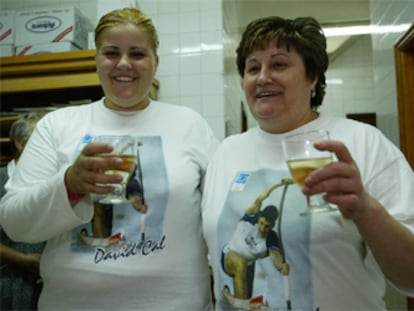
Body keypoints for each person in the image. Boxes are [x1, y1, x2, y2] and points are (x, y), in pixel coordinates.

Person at [0, 8, 218, 310]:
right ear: (97, 60)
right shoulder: (57, 125)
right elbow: (14, 224)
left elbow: (225, 214)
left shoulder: (189, 125)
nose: (124, 63)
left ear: (155, 62)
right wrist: (69, 185)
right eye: (112, 53)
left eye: (138, 53)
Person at [201, 16, 414, 310]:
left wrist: (367, 210)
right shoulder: (227, 153)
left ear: (312, 77)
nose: (263, 77)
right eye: (253, 68)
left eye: (279, 64)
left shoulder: (363, 142)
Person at [0, 112, 46, 310]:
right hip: (9, 285)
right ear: (20, 143)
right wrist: (24, 260)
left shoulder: (57, 181)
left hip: (51, 285)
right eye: (41, 140)